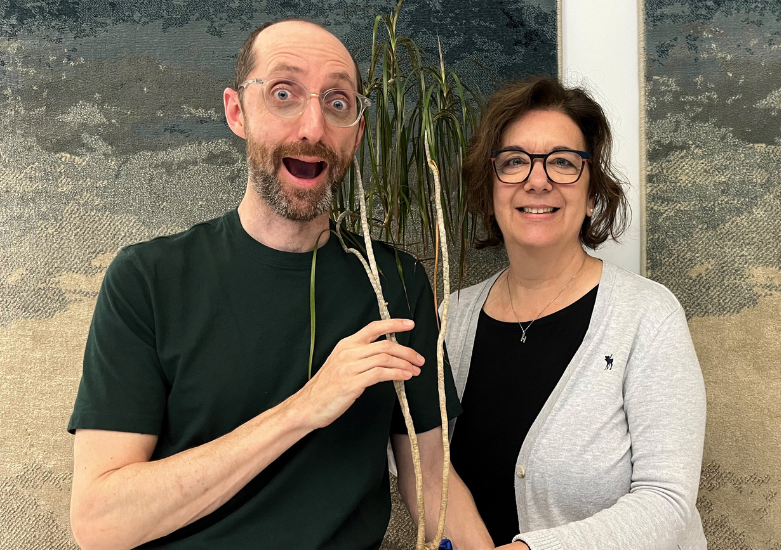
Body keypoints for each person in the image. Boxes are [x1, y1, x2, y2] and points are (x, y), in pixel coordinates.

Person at [67, 19, 492, 550]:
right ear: (236, 111)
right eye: (284, 93)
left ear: (356, 133)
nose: (312, 126)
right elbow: (101, 525)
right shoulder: (148, 278)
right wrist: (302, 409)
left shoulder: (396, 285)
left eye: (337, 102)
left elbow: (432, 480)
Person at [445, 76, 708, 550]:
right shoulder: (452, 319)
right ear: (490, 190)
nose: (537, 179)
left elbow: (668, 502)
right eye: (514, 162)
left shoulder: (648, 316)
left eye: (563, 162)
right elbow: (426, 469)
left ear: (591, 195)